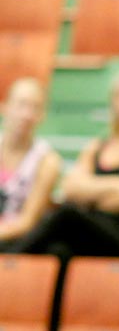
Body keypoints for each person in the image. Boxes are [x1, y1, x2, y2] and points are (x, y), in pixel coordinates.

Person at [13, 65, 119, 269]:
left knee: (67, 214)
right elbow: (70, 188)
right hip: (97, 235)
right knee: (58, 251)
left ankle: (9, 257)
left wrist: (92, 194)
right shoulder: (97, 146)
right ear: (114, 100)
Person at [0, 78, 61, 253]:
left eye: (35, 107)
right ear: (6, 106)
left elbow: (27, 222)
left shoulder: (47, 160)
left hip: (17, 242)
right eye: (21, 105)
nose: (26, 114)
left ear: (42, 114)